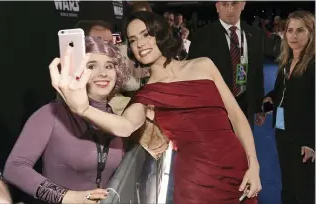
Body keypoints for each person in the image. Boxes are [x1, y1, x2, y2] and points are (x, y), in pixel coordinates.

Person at [49, 11, 261, 204]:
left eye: (146, 34)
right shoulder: (146, 95)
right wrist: (83, 109)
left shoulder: (203, 65)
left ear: (160, 34)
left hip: (239, 169)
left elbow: (236, 116)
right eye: (133, 40)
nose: (140, 43)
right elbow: (125, 126)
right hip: (197, 183)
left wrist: (254, 165)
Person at [4, 36, 129, 204]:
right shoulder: (51, 113)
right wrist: (68, 197)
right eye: (91, 66)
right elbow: (14, 168)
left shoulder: (114, 119)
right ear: (77, 72)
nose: (103, 73)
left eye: (109, 66)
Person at [188, 1, 281, 128]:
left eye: (235, 3)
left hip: (245, 105)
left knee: (244, 146)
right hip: (215, 106)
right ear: (217, 7)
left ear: (243, 4)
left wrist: (258, 106)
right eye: (225, 4)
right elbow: (192, 75)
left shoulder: (255, 34)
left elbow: (257, 72)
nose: (230, 9)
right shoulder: (202, 36)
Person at [255, 10, 315, 204]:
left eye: (300, 30)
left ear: (311, 33)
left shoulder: (313, 65)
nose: (293, 36)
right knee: (288, 185)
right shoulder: (287, 61)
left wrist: (311, 142)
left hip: (304, 140)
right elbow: (280, 93)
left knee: (304, 189)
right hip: (283, 132)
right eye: (290, 30)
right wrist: (267, 101)